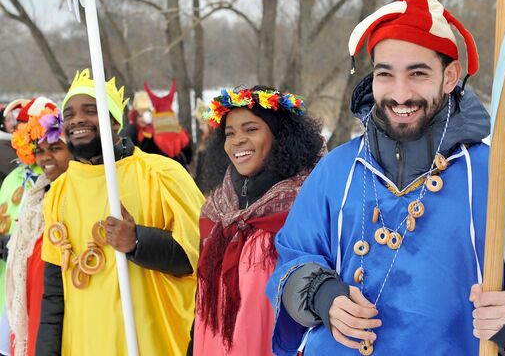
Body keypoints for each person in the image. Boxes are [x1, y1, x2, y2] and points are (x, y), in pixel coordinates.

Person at [267, 0, 505, 356]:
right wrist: (323, 297)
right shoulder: (336, 171)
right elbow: (290, 261)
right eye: (385, 74)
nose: (400, 94)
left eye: (417, 73)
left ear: (449, 77)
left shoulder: (500, 181)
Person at [36, 69, 204, 355]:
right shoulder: (59, 192)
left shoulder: (161, 175)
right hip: (83, 344)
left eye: (90, 110)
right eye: (70, 113)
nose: (78, 119)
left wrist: (138, 241)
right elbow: (54, 293)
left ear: (114, 120)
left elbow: (199, 257)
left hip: (150, 342)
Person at [193, 86, 325, 355]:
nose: (237, 140)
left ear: (280, 137)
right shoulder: (217, 211)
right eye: (230, 133)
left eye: (251, 129)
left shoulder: (307, 206)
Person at [4, 104, 71, 356]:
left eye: (55, 148)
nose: (45, 158)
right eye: (40, 151)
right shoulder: (38, 195)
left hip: (63, 307)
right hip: (35, 303)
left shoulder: (78, 193)